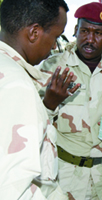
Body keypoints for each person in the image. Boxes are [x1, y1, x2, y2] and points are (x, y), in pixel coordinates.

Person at [37, 2, 102, 200]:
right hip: (65, 180)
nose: (90, 39)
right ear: (76, 31)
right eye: (84, 31)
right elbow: (30, 121)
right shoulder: (54, 67)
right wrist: (49, 104)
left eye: (98, 33)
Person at [0, 0, 80, 199]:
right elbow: (13, 189)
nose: (54, 46)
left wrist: (49, 106)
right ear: (34, 33)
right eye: (55, 37)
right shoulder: (17, 85)